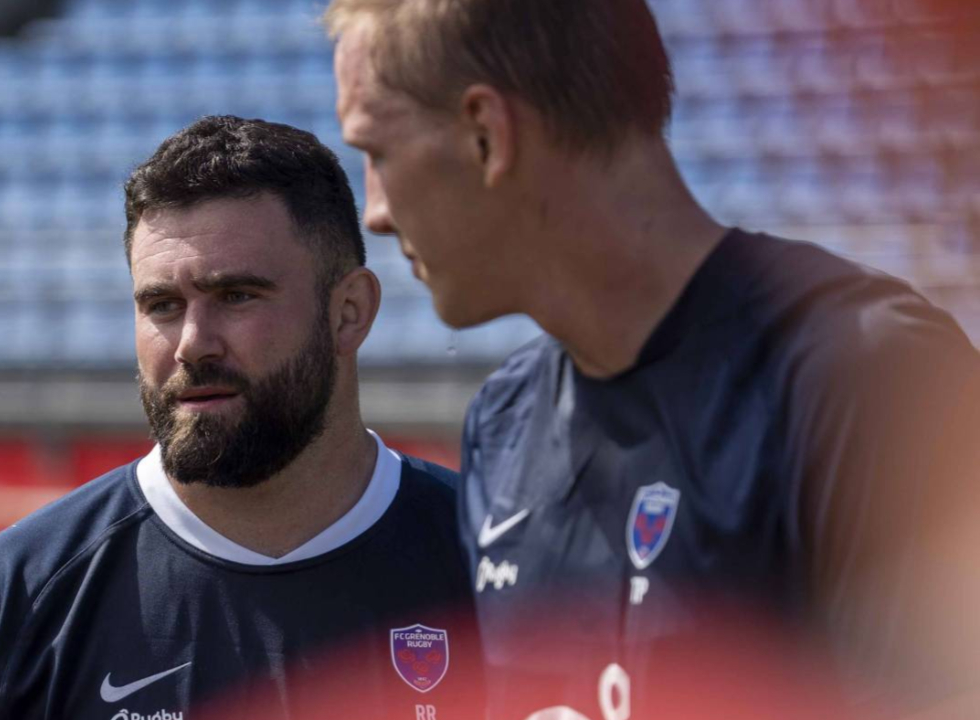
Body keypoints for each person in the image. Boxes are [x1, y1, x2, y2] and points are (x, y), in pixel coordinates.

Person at [326, 1, 980, 718]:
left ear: (486, 134)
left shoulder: (867, 377)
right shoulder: (503, 424)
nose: (374, 211)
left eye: (377, 153)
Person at [0, 116, 480, 720]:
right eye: (162, 305)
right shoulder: (12, 603)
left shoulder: (496, 564)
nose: (193, 343)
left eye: (237, 295)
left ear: (349, 312)